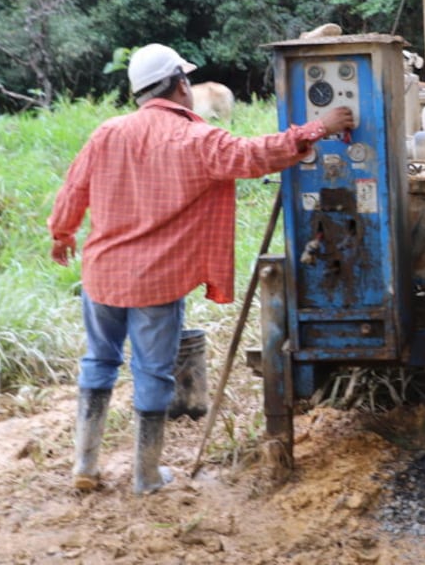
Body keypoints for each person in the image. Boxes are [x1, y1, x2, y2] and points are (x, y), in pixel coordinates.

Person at [48, 43, 354, 494]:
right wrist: (319, 127)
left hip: (101, 273)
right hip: (155, 280)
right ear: (180, 85)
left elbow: (75, 187)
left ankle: (84, 466)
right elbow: (257, 155)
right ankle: (146, 475)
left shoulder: (107, 132)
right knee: (153, 372)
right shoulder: (197, 139)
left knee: (99, 363)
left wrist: (62, 233)